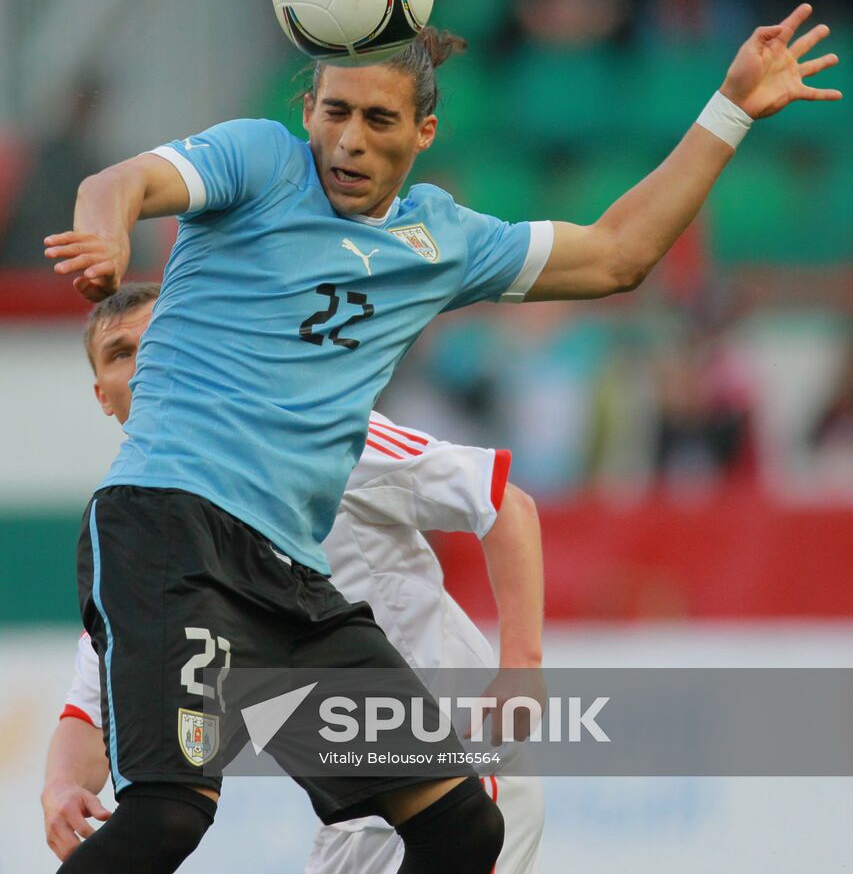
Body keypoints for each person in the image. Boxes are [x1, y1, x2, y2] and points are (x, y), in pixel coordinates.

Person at [44, 5, 840, 873]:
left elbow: (619, 255)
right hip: (173, 527)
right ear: (306, 109)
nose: (348, 140)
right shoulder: (258, 158)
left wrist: (726, 111)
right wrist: (106, 235)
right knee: (168, 813)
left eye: (378, 119)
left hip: (292, 582)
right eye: (334, 112)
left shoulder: (440, 240)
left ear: (423, 131)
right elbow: (118, 181)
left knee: (462, 827)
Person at [41, 284, 545, 872]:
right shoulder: (147, 532)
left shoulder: (314, 433)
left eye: (159, 340)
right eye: (121, 352)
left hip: (456, 764)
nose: (145, 361)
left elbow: (504, 505)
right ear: (103, 394)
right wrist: (59, 784)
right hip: (355, 803)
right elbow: (94, 698)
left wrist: (523, 667)